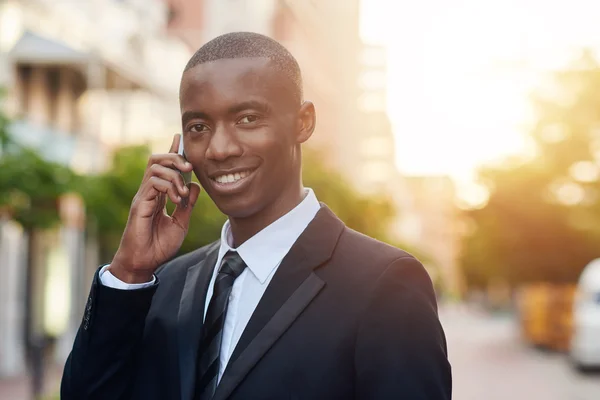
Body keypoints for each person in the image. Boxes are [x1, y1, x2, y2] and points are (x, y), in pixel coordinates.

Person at [60, 32, 452, 400]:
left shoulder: (385, 284)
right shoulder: (165, 284)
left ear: (303, 122)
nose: (220, 148)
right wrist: (128, 273)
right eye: (198, 126)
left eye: (247, 119)